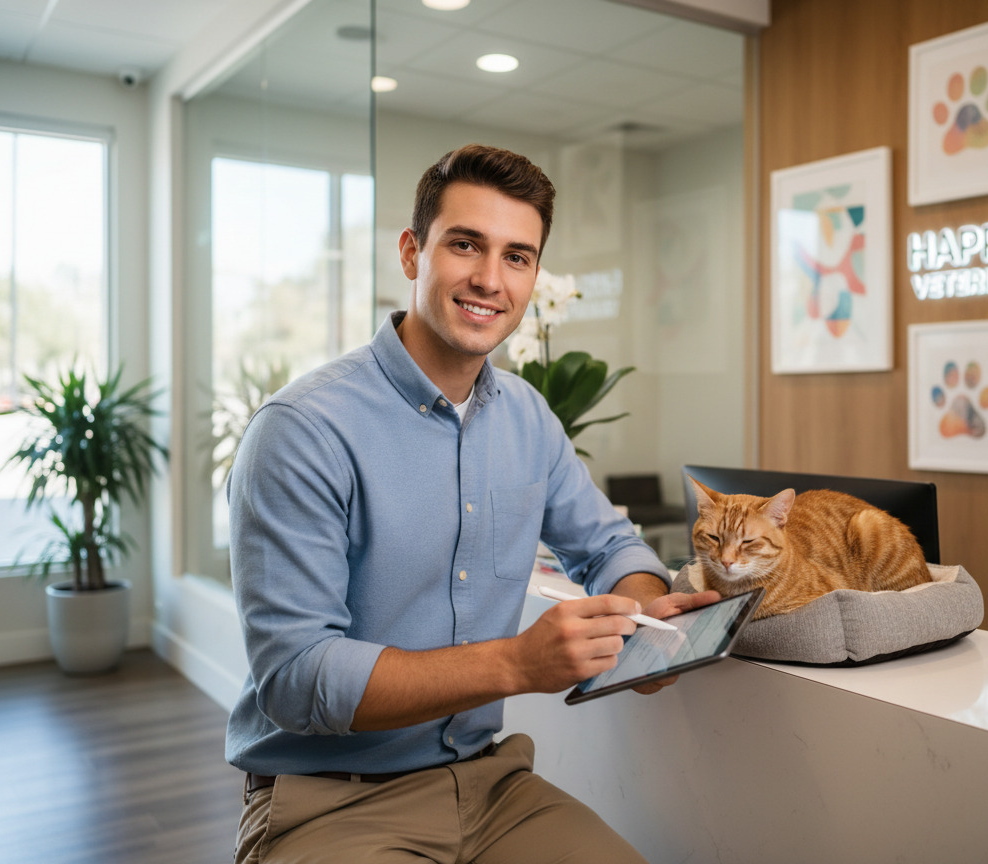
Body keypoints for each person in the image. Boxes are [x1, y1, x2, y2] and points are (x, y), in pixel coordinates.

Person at [226, 143, 717, 863]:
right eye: (466, 245)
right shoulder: (301, 431)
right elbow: (298, 679)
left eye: (518, 256)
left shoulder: (528, 416)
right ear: (410, 252)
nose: (491, 279)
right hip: (331, 799)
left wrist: (644, 618)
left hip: (490, 786)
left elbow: (611, 546)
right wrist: (518, 664)